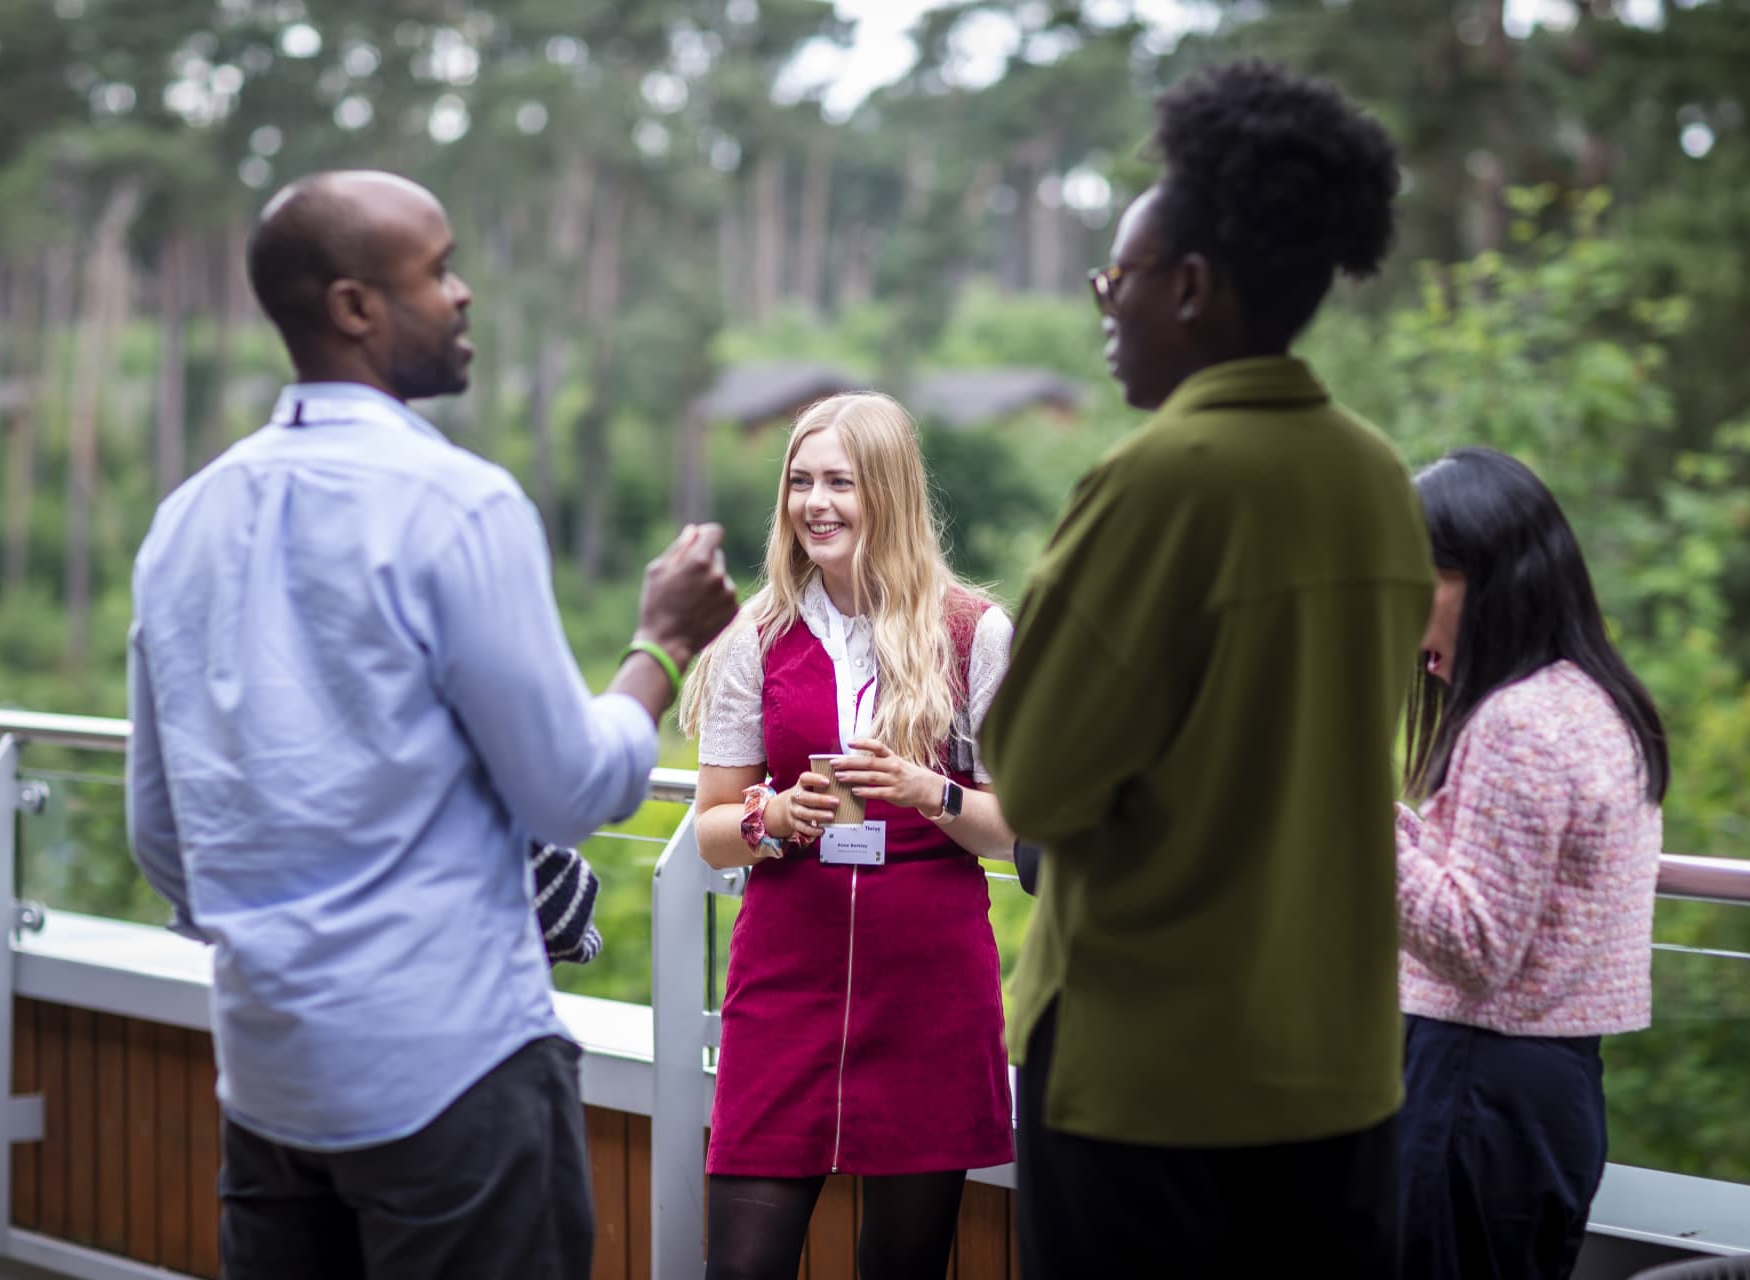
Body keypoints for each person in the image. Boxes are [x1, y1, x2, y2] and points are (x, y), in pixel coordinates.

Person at [125, 169, 737, 1280]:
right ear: (357, 306)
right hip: (455, 1081)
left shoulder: (185, 520)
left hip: (267, 1082)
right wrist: (660, 648)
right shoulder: (459, 504)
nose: (464, 295)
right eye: (439, 268)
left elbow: (164, 839)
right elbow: (570, 789)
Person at [979, 61, 1432, 1276]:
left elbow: (1034, 778)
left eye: (1112, 281)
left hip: (1151, 1084)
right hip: (1339, 1075)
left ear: (1190, 286)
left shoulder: (1158, 483)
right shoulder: (1376, 478)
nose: (1106, 309)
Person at [678, 391, 1018, 1280]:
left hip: (929, 997)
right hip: (785, 987)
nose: (814, 503)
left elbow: (1013, 830)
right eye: (800, 481)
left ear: (891, 494)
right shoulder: (751, 636)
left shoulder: (974, 634)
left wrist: (931, 791)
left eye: (841, 482)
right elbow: (714, 832)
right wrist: (777, 817)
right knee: (741, 1267)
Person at [1396, 447, 1666, 1279]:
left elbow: (1475, 947)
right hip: (1550, 1091)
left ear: (1484, 577)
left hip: (1476, 1085)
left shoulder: (1517, 723)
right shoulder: (1594, 701)